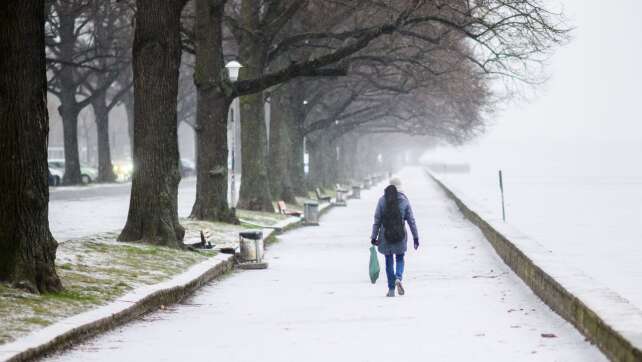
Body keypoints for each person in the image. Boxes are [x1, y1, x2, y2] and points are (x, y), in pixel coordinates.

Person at [370, 177, 419, 297]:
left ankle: (391, 289)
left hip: (385, 236)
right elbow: (411, 221)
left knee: (388, 261)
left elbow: (377, 220)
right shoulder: (404, 201)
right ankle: (398, 277)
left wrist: (374, 236)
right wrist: (415, 237)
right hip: (400, 235)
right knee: (400, 258)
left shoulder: (382, 201)